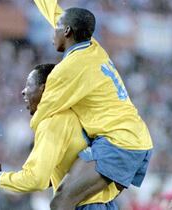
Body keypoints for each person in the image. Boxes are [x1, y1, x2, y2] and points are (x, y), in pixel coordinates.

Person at [30, 1, 153, 209]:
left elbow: (41, 115)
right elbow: (55, 13)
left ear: (67, 31)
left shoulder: (66, 70)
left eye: (56, 28)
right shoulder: (92, 45)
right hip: (128, 138)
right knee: (89, 202)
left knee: (63, 201)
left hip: (119, 144)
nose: (53, 32)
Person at [0, 64, 119, 209]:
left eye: (29, 86)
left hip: (83, 204)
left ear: (42, 89)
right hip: (102, 202)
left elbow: (36, 179)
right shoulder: (72, 112)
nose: (23, 92)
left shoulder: (52, 122)